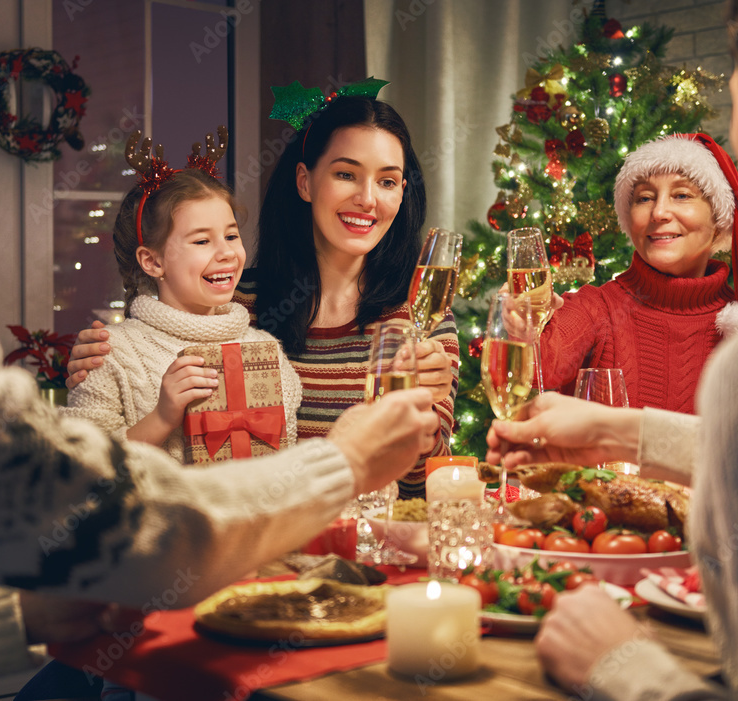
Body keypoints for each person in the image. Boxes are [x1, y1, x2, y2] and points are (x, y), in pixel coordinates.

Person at [0, 3, 439, 699]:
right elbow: (143, 524)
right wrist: (344, 459)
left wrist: (19, 615)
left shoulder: (309, 321)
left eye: (390, 178)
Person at [490, 0, 738, 697]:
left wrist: (620, 664)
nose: (661, 213)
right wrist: (613, 426)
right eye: (645, 199)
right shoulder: (612, 308)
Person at [69, 87, 460, 499]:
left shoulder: (420, 316)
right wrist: (99, 355)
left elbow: (421, 481)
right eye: (346, 174)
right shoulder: (231, 301)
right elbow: (153, 345)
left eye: (387, 181)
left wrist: (424, 415)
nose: (367, 199)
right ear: (305, 182)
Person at [63, 145, 301, 464]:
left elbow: (285, 465)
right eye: (202, 241)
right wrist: (162, 418)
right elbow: (80, 467)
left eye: (231, 236)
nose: (227, 253)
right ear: (153, 261)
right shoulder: (109, 354)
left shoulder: (267, 350)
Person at [536, 132, 738, 414]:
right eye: (644, 198)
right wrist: (524, 330)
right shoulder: (596, 308)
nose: (659, 212)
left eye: (681, 195)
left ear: (718, 219)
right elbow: (542, 366)